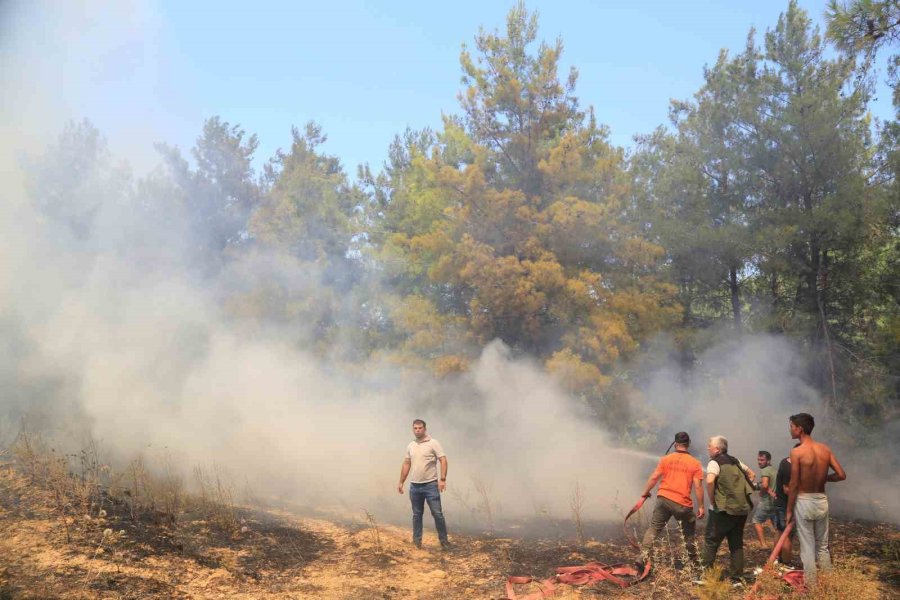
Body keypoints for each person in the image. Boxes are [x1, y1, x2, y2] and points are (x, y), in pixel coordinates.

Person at [785, 413, 846, 586]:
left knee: (807, 549)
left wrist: (789, 510)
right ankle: (830, 586)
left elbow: (794, 483)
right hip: (821, 500)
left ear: (800, 429)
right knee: (823, 547)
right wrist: (825, 478)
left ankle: (812, 591)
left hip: (804, 501)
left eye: (792, 426)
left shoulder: (797, 452)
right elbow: (841, 475)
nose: (790, 429)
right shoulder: (824, 449)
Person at [637, 432, 705, 570]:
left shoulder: (665, 459)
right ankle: (694, 563)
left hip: (663, 499)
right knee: (688, 534)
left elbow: (654, 477)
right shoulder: (695, 463)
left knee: (654, 528)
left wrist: (645, 492)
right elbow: (698, 486)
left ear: (675, 444)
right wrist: (701, 506)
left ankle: (642, 556)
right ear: (689, 444)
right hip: (682, 503)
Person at [702, 435, 756, 581]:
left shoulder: (714, 463)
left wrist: (713, 499)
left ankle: (706, 576)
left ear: (717, 449)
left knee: (711, 541)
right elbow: (752, 474)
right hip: (741, 510)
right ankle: (737, 577)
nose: (708, 448)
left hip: (723, 510)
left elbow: (710, 481)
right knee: (736, 543)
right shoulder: (735, 461)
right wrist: (740, 491)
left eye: (710, 446)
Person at [397, 419, 450, 550]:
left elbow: (443, 460)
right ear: (412, 429)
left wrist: (442, 479)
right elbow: (406, 463)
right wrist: (401, 481)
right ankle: (417, 543)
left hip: (431, 485)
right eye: (415, 428)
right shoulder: (411, 445)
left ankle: (444, 542)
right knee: (416, 515)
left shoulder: (433, 443)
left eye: (420, 428)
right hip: (415, 486)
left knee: (437, 514)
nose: (417, 430)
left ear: (425, 429)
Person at [751, 450, 778, 546]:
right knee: (777, 527)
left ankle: (763, 544)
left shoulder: (765, 470)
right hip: (775, 502)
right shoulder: (774, 470)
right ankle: (778, 546)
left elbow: (765, 485)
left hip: (766, 502)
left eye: (762, 460)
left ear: (768, 461)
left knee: (756, 521)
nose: (759, 462)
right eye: (758, 460)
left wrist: (761, 493)